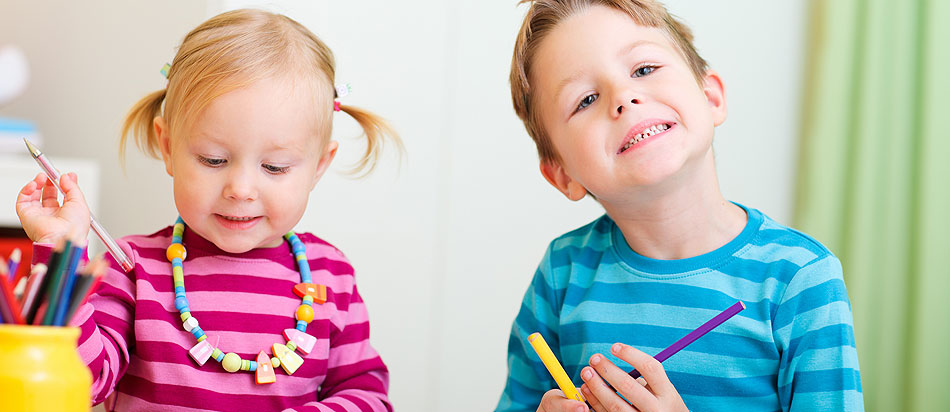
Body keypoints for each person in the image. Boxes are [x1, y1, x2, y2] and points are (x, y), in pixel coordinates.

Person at [16, 9, 400, 411]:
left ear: (319, 165)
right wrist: (59, 253)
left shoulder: (331, 276)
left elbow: (368, 397)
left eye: (274, 167)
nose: (240, 190)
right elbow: (80, 383)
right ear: (168, 147)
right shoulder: (131, 269)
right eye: (213, 160)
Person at [496, 1, 863, 411]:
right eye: (586, 99)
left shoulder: (799, 277)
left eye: (644, 69)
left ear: (710, 97)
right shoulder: (562, 272)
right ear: (563, 174)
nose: (623, 97)